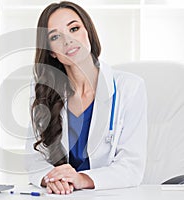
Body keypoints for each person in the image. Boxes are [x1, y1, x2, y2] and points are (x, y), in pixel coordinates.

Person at [25, 1, 148, 195]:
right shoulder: (44, 91)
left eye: (74, 28)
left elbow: (131, 167)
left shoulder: (129, 88)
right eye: (56, 36)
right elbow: (34, 159)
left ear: (88, 32)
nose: (68, 41)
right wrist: (54, 179)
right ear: (51, 52)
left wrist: (81, 179)